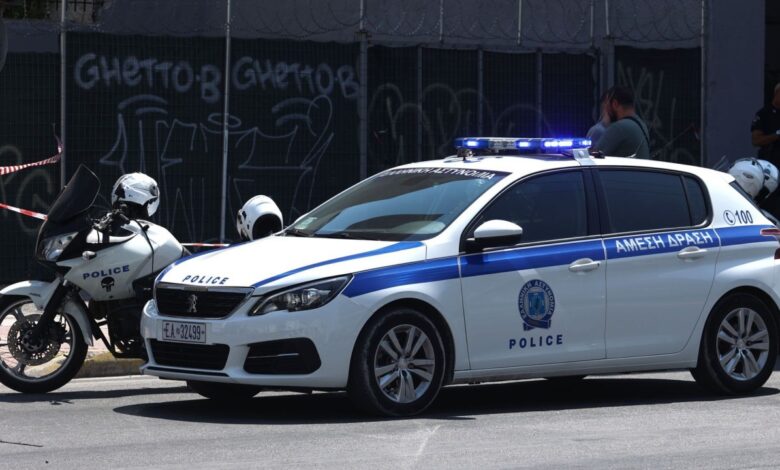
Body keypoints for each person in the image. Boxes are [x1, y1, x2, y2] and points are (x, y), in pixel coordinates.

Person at [592, 86, 650, 159]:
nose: (605, 110)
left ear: (615, 104)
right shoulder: (641, 125)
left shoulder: (619, 128)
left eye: (607, 106)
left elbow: (594, 157)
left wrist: (605, 122)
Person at [752, 83, 780, 217]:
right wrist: (776, 135)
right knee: (769, 201)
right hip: (770, 166)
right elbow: (756, 140)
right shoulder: (764, 114)